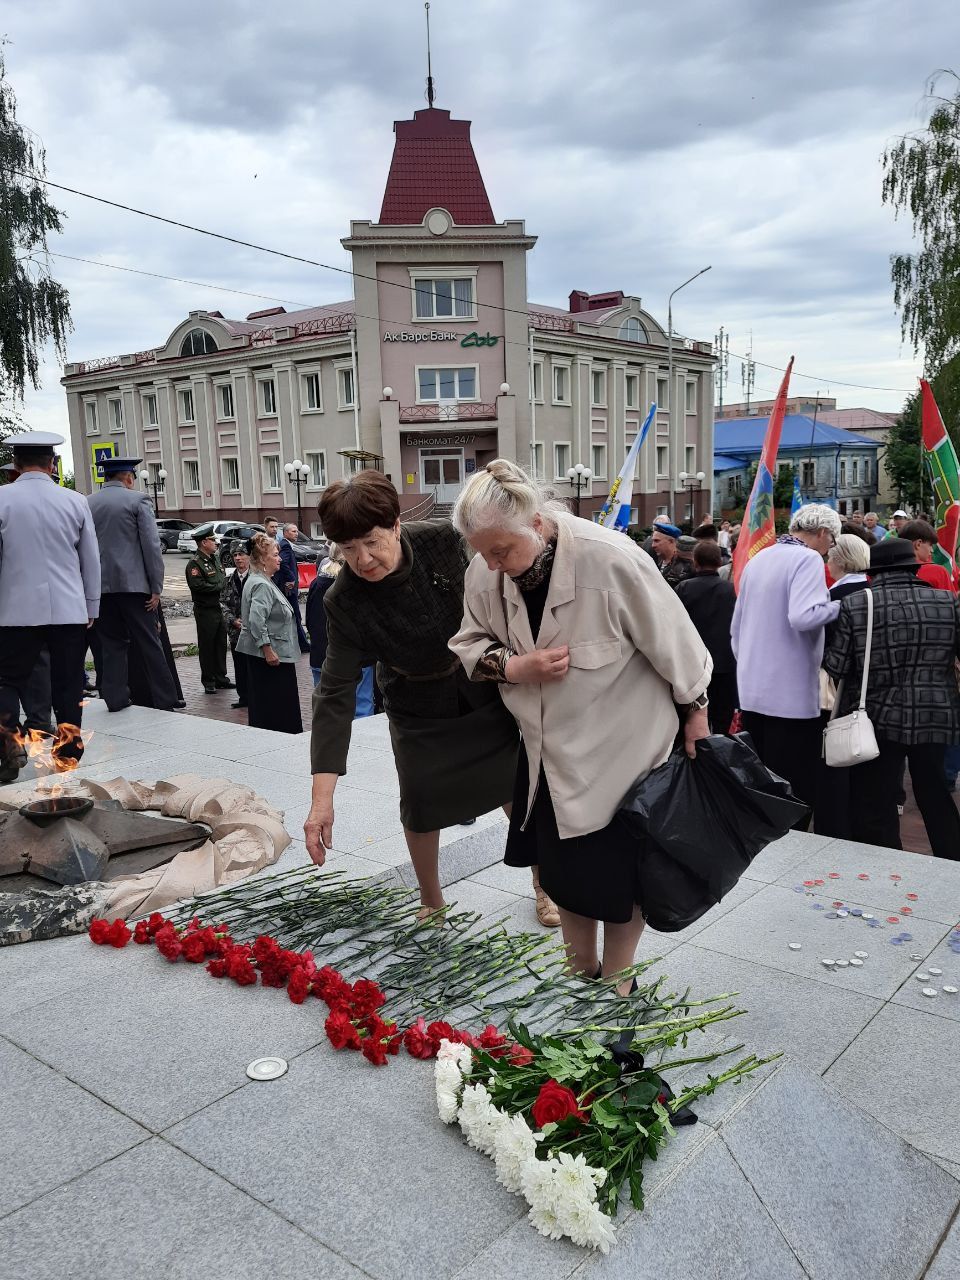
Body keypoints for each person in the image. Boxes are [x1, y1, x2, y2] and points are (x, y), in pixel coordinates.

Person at [449, 460, 711, 990]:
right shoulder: (485, 571)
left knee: (624, 875)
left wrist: (697, 715)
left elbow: (680, 647)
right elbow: (469, 646)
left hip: (625, 747)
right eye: (482, 552)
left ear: (538, 524)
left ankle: (618, 976)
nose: (493, 564)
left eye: (501, 550)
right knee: (564, 870)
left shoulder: (611, 559)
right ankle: (578, 969)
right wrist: (514, 666)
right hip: (547, 748)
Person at [304, 471, 559, 927]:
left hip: (480, 686)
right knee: (420, 804)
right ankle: (431, 899)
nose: (362, 559)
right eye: (347, 549)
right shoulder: (343, 601)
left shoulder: (445, 541)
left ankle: (545, 885)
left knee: (514, 790)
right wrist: (321, 801)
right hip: (414, 703)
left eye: (371, 540)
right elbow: (335, 693)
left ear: (396, 523)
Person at [823, 539, 960, 860]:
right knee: (935, 792)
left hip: (876, 716)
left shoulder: (858, 604)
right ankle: (952, 859)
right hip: (935, 714)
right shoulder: (948, 602)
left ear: (875, 572)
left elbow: (837, 665)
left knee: (877, 798)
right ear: (913, 567)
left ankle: (886, 861)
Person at [731, 503, 842, 820]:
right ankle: (792, 849)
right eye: (830, 542)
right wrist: (841, 607)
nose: (828, 551)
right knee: (792, 782)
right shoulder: (807, 559)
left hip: (753, 688)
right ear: (821, 533)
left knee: (762, 775)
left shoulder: (759, 558)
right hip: (790, 693)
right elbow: (803, 616)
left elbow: (737, 627)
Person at [0, 432, 100, 782]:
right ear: (52, 464)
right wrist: (91, 606)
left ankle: (9, 743)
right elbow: (90, 559)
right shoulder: (75, 501)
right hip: (68, 610)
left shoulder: (2, 499)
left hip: (15, 612)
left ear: (15, 464)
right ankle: (69, 754)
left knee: (6, 680)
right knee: (70, 683)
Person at [87, 456, 182, 712]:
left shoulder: (87, 502)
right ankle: (165, 698)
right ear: (128, 477)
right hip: (135, 588)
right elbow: (151, 546)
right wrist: (156, 587)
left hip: (101, 589)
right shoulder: (138, 499)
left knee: (111, 645)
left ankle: (115, 698)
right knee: (150, 642)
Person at [814, 534, 871, 838]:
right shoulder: (871, 591)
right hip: (868, 687)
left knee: (833, 761)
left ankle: (832, 828)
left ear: (838, 560)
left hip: (835, 689)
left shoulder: (834, 598)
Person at [236, 533, 303, 733]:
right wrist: (267, 650)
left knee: (269, 704)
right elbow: (256, 621)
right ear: (263, 560)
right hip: (271, 657)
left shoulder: (261, 579)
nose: (280, 558)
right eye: (275, 555)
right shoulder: (260, 584)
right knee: (275, 706)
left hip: (273, 654)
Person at [676, 542, 738, 734]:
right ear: (719, 562)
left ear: (695, 562)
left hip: (694, 665)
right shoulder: (731, 590)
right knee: (721, 721)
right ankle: (719, 758)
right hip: (724, 664)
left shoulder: (683, 588)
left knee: (690, 717)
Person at [185, 527, 234, 695]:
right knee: (207, 646)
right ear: (204, 542)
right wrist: (217, 587)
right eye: (213, 541)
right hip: (205, 609)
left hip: (218, 607)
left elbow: (221, 577)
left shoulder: (215, 559)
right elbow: (198, 585)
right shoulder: (195, 563)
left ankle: (221, 678)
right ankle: (208, 680)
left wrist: (219, 585)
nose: (216, 543)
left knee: (220, 644)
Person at [221, 543, 252, 709]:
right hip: (235, 631)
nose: (238, 558)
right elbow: (222, 603)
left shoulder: (256, 577)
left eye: (242, 554)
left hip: (253, 631)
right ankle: (244, 697)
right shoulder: (228, 579)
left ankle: (256, 696)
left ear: (249, 557)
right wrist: (232, 620)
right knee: (239, 664)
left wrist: (248, 621)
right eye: (235, 555)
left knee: (253, 665)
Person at [275, 522, 310, 652]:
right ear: (285, 533)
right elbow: (283, 562)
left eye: (296, 531)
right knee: (295, 615)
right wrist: (291, 579)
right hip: (288, 588)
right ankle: (303, 644)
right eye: (293, 531)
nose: (296, 534)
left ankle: (300, 643)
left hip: (290, 587)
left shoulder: (286, 545)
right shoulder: (285, 545)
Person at [900, 519, 957, 593]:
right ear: (918, 544)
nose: (932, 550)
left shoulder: (889, 571)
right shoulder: (938, 572)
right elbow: (953, 603)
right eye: (930, 545)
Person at [648, 522, 694, 589]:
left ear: (671, 541)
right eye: (653, 541)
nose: (653, 545)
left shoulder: (684, 567)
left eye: (657, 541)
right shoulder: (657, 562)